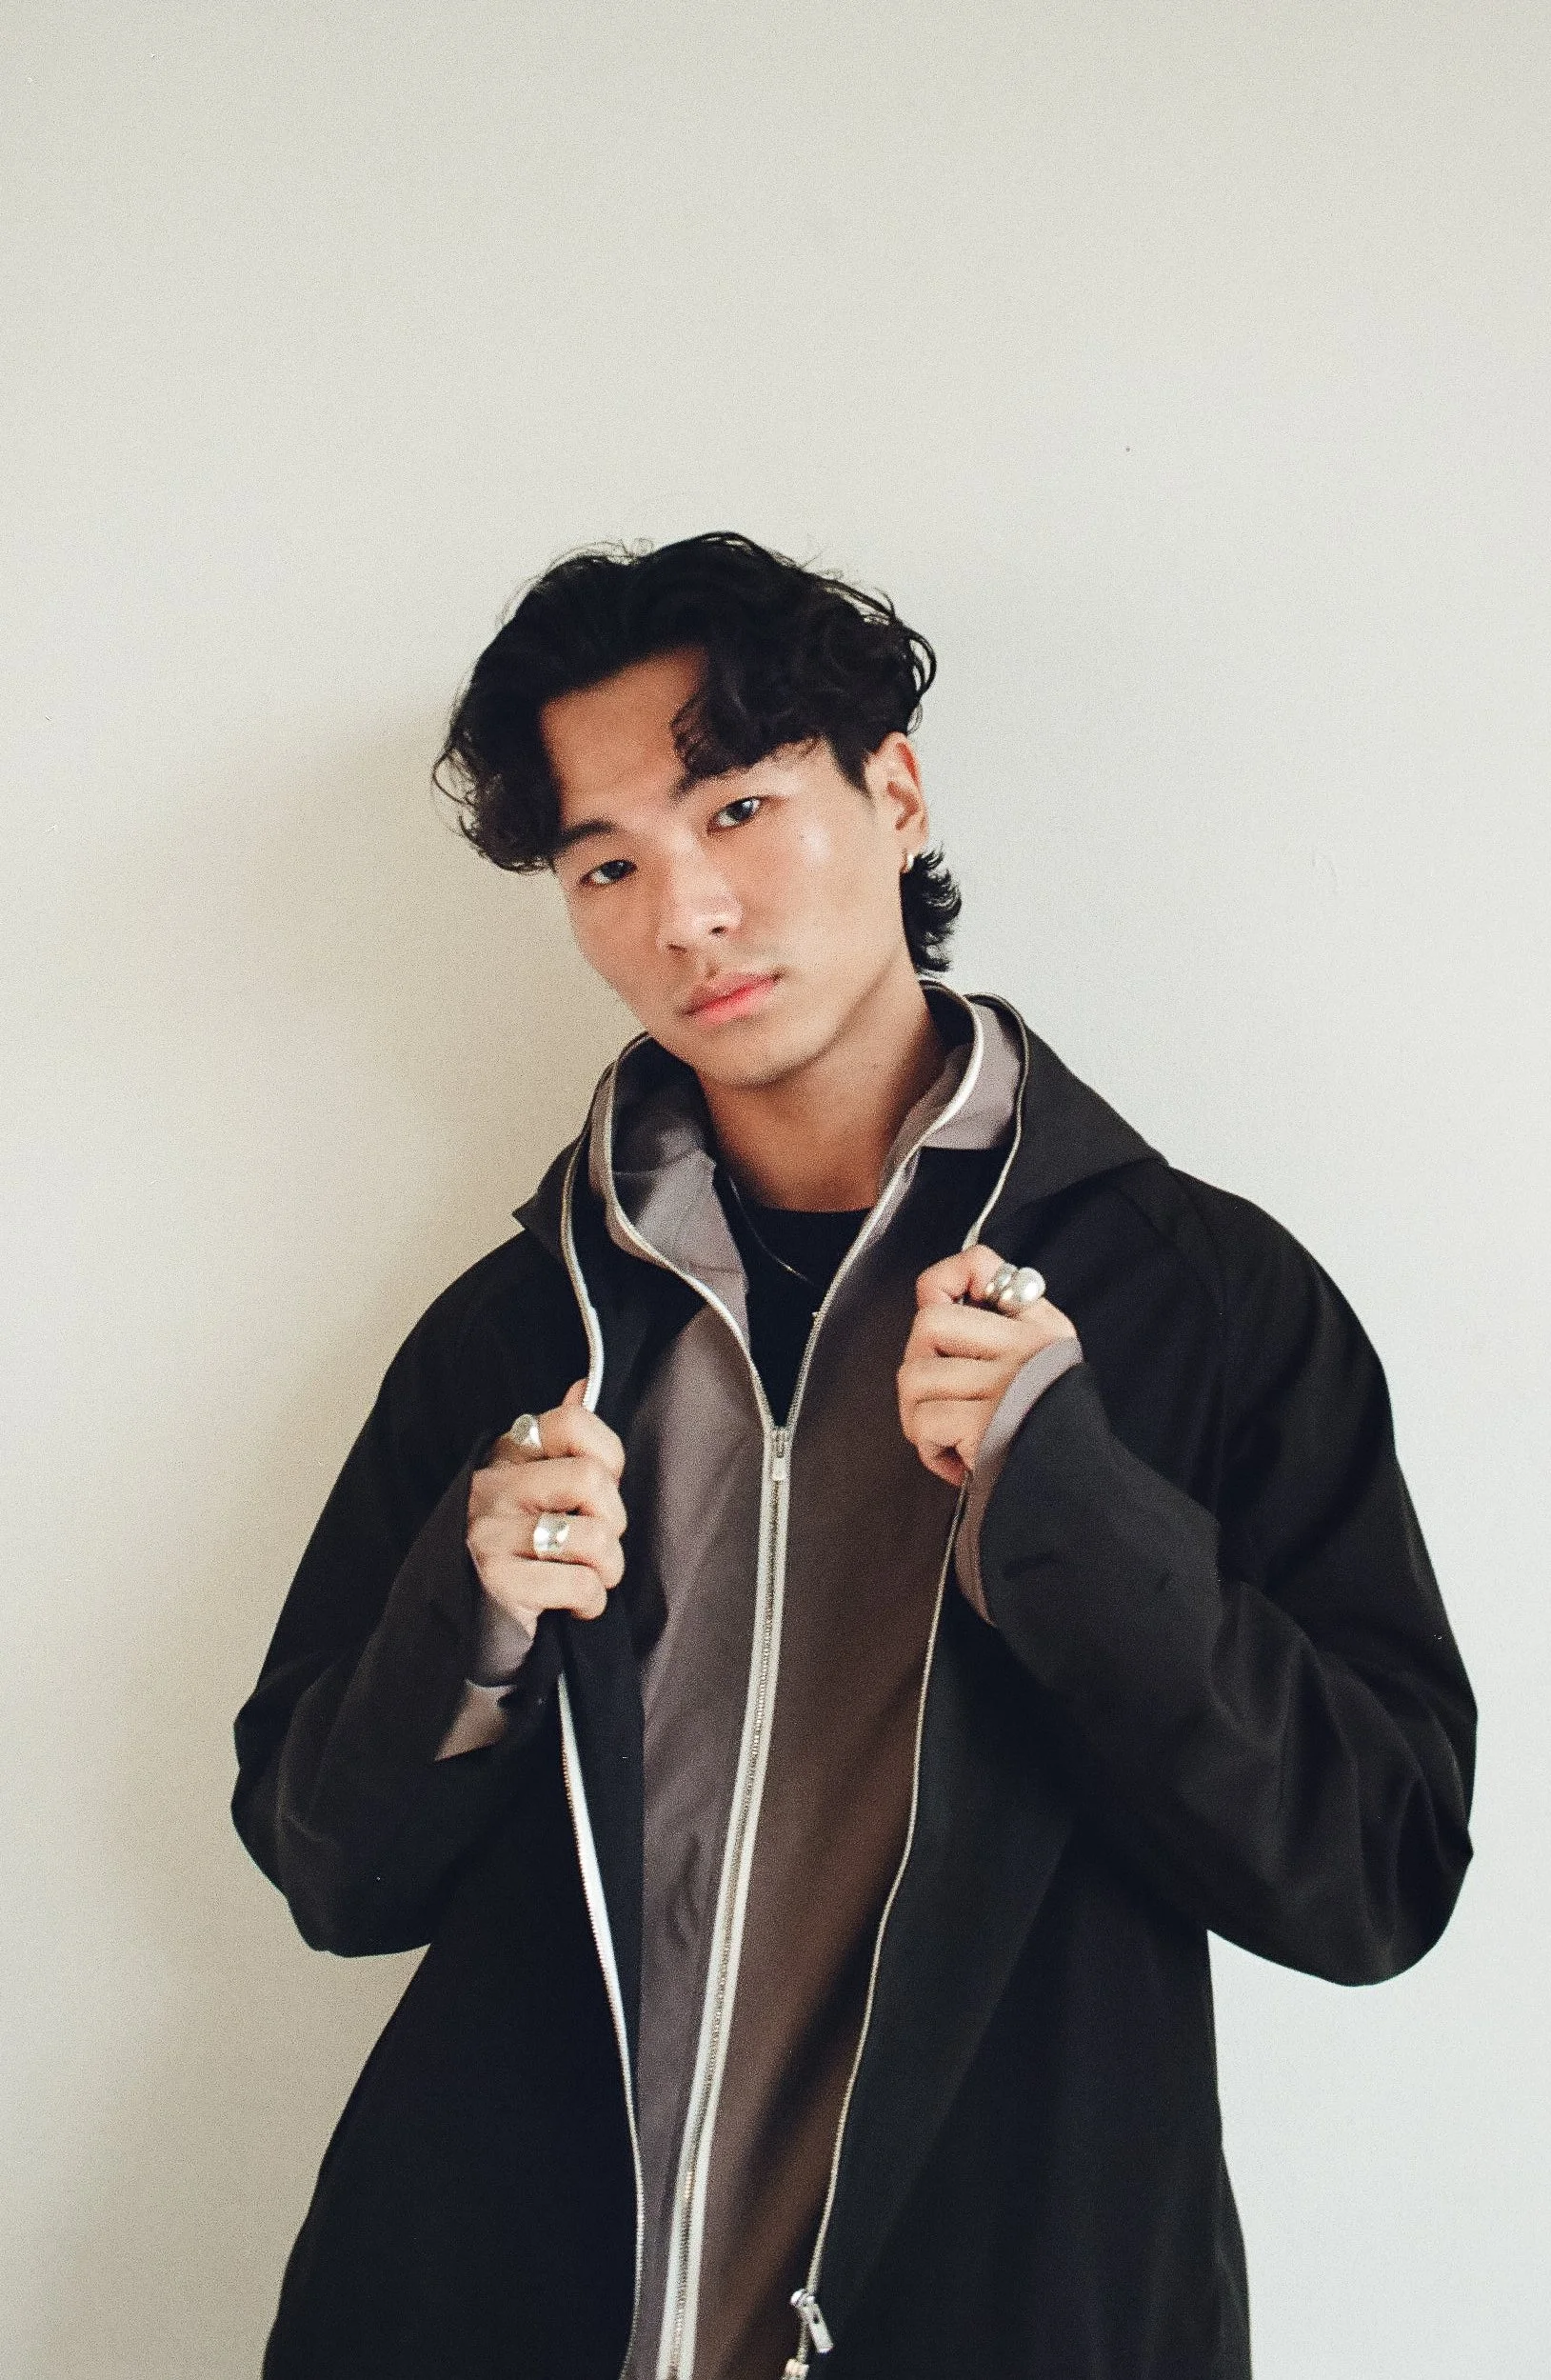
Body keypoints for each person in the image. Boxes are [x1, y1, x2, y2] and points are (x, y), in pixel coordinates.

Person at [232, 532, 1476, 2380]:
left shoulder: (1206, 1302)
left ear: (893, 790)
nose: (688, 914)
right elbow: (329, 1871)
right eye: (609, 861)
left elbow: (1373, 1875)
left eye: (739, 809)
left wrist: (1076, 1515)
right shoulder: (518, 1333)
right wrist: (469, 1617)